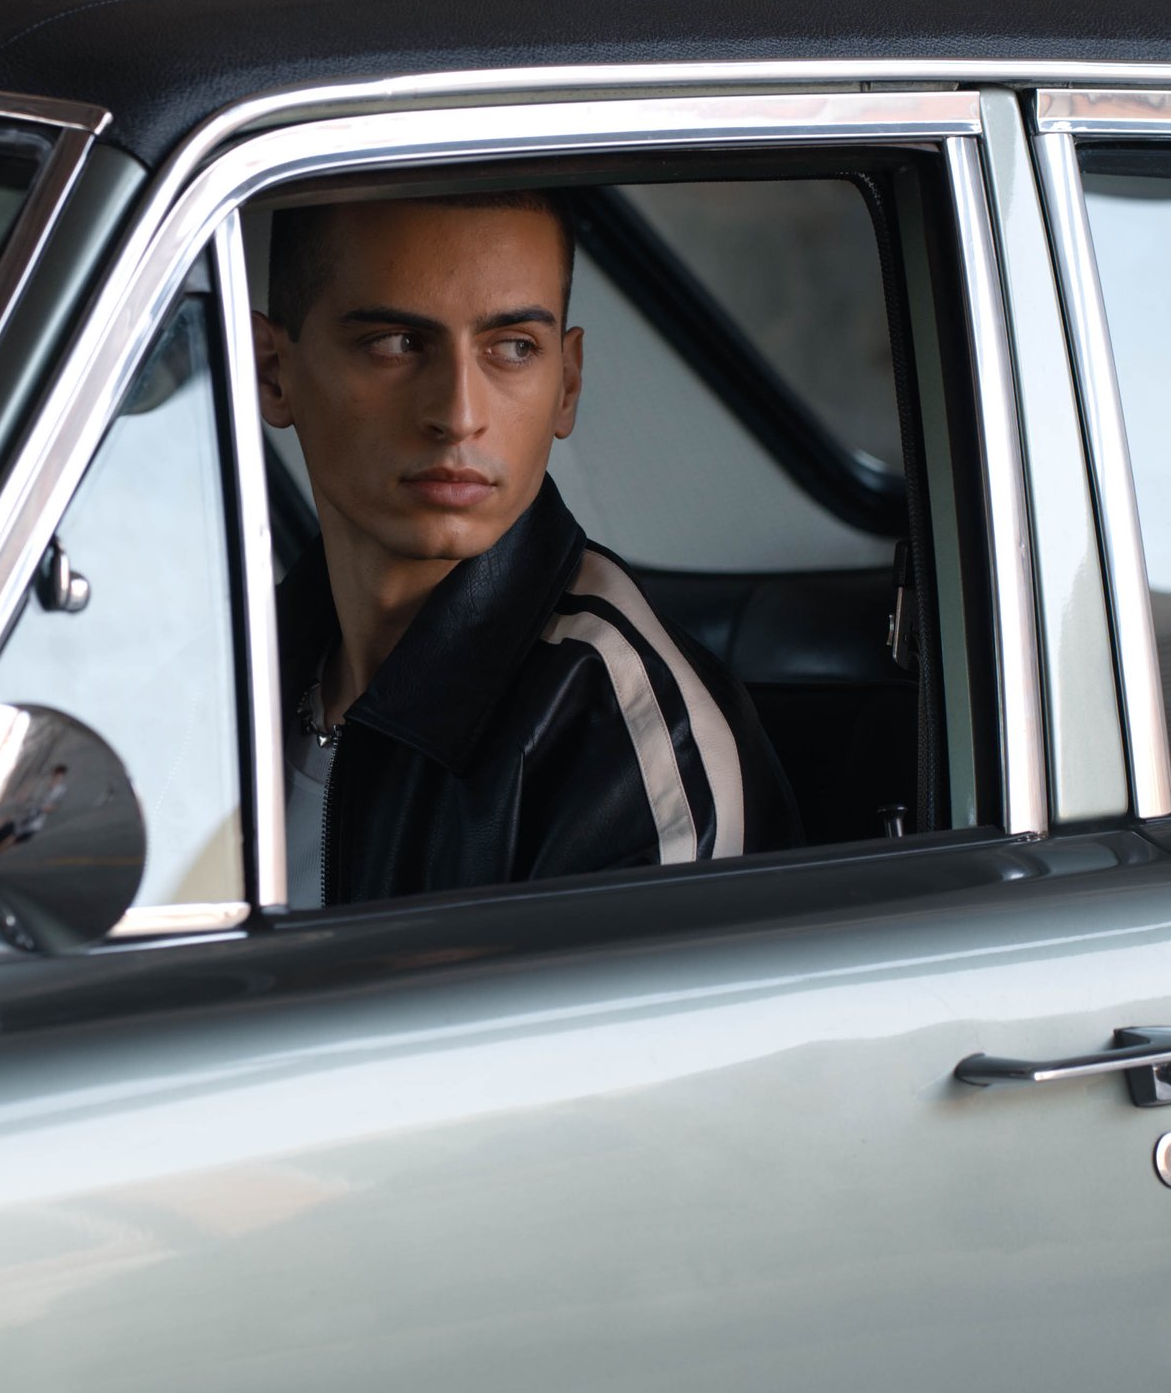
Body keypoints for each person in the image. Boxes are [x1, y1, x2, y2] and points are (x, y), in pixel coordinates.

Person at [253, 190, 796, 908]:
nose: (458, 415)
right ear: (271, 372)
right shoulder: (225, 671)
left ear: (566, 383)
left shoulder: (623, 746)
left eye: (513, 348)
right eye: (395, 343)